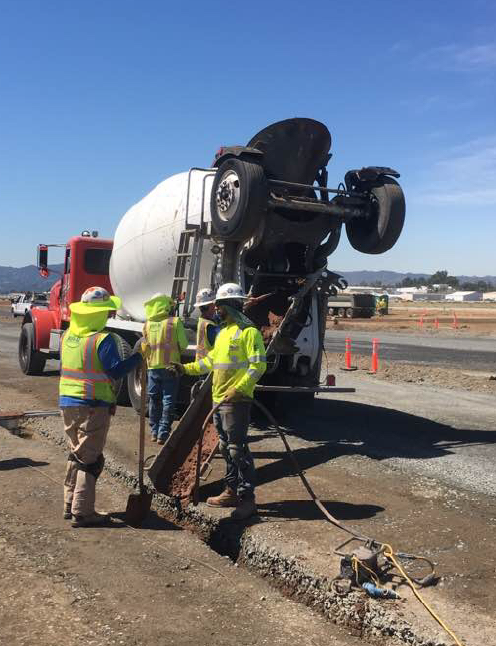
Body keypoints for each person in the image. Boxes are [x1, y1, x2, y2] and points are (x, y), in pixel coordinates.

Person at [175, 283, 266, 520]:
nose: (216, 309)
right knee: (226, 447)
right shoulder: (224, 333)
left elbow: (258, 366)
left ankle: (248, 499)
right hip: (219, 399)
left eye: (220, 305)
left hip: (236, 400)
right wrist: (183, 369)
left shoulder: (249, 333)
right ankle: (231, 491)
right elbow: (209, 363)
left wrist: (240, 388)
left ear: (231, 305)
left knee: (237, 450)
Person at [59, 286, 142, 528]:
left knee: (76, 453)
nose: (108, 316)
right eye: (105, 312)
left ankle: (68, 504)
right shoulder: (102, 340)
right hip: (92, 406)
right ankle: (82, 511)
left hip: (68, 403)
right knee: (90, 460)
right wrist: (138, 358)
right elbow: (114, 371)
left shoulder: (67, 336)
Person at [142, 293, 188, 444]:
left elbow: (145, 345)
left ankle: (154, 431)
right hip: (171, 367)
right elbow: (184, 344)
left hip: (152, 367)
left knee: (154, 400)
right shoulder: (174, 322)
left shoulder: (147, 324)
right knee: (168, 400)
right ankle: (163, 433)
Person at [193, 287, 220, 361]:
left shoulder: (203, 320)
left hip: (202, 365)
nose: (215, 307)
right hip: (206, 367)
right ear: (208, 306)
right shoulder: (209, 326)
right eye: (214, 304)